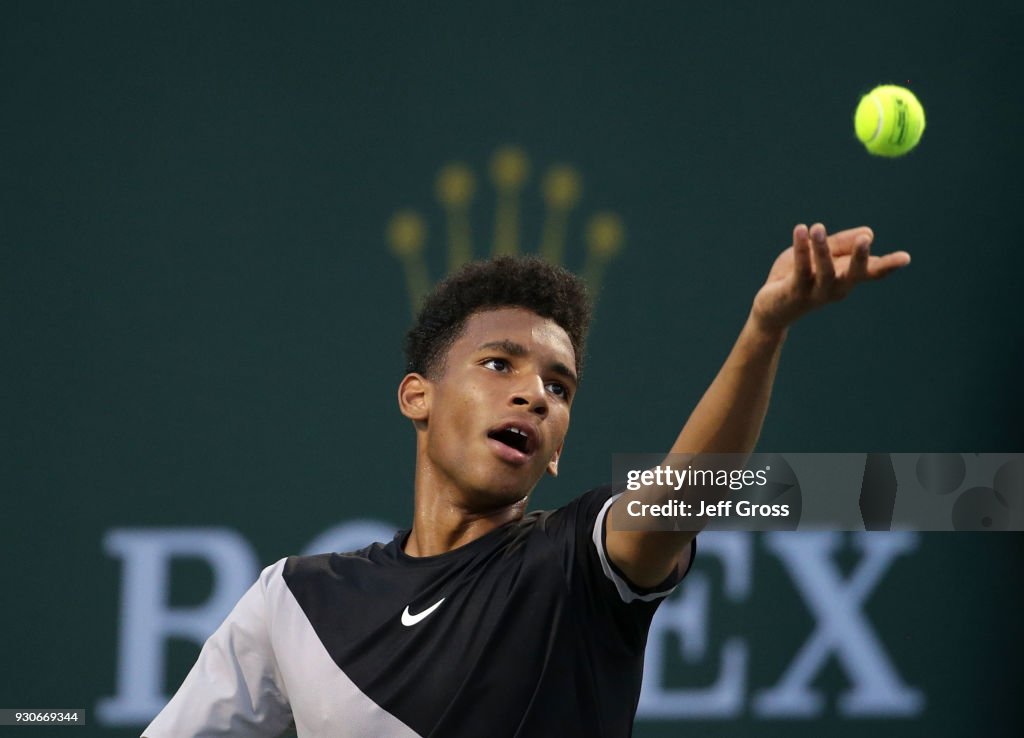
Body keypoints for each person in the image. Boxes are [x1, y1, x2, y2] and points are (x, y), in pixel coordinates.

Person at [143, 223, 910, 737]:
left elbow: (690, 490)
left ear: (555, 451)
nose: (534, 394)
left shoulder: (574, 566)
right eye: (499, 363)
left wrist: (763, 331)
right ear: (419, 396)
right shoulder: (296, 601)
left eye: (560, 386)